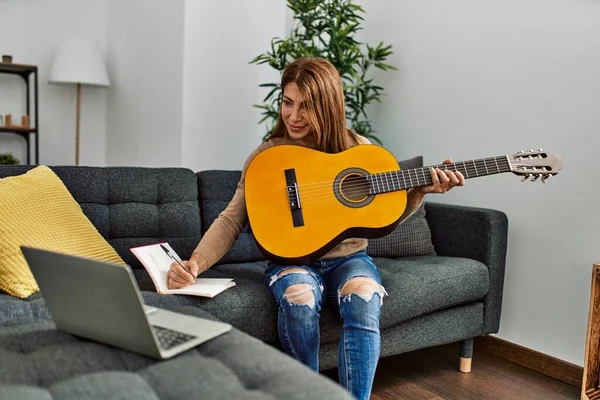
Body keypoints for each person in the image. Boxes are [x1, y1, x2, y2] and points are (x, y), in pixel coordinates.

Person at [167, 57, 465, 400]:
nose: (293, 116)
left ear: (329, 106)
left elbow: (385, 215)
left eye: (306, 106)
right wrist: (196, 262)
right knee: (299, 297)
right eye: (287, 102)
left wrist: (419, 192)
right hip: (292, 261)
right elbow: (232, 219)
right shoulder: (267, 157)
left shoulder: (360, 151)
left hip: (349, 259)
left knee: (364, 299)